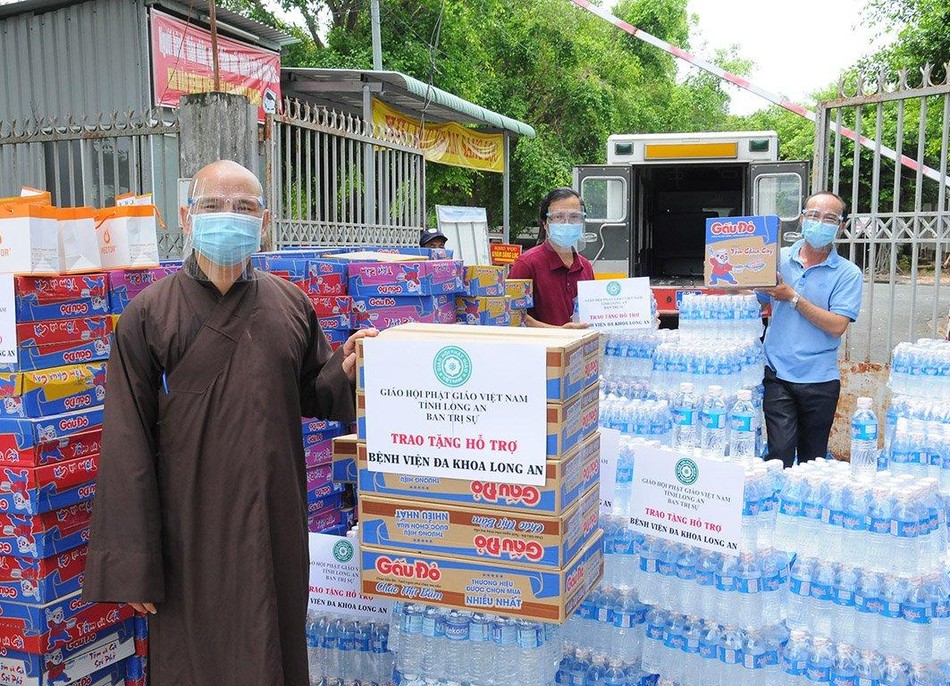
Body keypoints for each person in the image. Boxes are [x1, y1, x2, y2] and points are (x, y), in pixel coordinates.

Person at [82, 160, 377, 685]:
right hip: (189, 531)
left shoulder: (292, 305)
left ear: (264, 222)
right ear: (184, 215)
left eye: (244, 208)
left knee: (274, 651)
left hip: (274, 519)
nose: (229, 217)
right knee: (193, 661)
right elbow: (125, 444)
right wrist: (133, 564)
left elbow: (312, 392)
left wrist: (346, 367)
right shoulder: (147, 316)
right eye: (213, 205)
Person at [756, 191, 863, 467]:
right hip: (777, 373)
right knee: (778, 455)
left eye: (829, 218)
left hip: (819, 380)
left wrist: (792, 298)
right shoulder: (776, 258)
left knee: (812, 460)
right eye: (813, 215)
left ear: (841, 226)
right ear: (802, 219)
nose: (819, 222)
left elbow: (837, 325)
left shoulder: (848, 273)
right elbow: (754, 297)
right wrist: (724, 277)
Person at [508, 187, 593, 328]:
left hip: (577, 348)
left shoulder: (585, 267)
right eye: (558, 217)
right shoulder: (527, 263)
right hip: (542, 348)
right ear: (545, 223)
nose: (567, 223)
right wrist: (559, 332)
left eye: (574, 217)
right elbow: (510, 312)